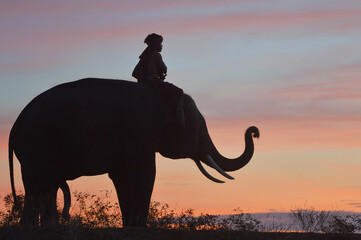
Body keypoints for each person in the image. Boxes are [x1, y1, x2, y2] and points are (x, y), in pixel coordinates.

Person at [133, 33, 184, 127]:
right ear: (156, 45)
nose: (161, 46)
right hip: (154, 83)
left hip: (144, 83)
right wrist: (155, 77)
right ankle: (170, 116)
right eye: (160, 43)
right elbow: (162, 69)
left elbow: (134, 73)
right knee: (179, 92)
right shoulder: (157, 55)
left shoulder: (144, 57)